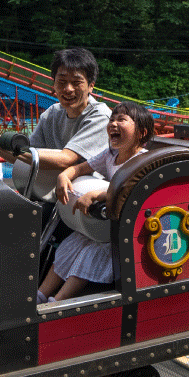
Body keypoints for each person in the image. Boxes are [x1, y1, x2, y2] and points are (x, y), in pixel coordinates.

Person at [39, 102, 156, 303]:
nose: (113, 124)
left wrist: (97, 195)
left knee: (91, 254)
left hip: (126, 231)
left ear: (141, 133)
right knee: (72, 244)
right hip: (106, 225)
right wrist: (64, 176)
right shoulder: (110, 155)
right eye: (112, 119)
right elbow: (80, 168)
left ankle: (58, 300)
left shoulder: (142, 161)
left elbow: (128, 188)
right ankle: (40, 294)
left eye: (121, 120)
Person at [0, 48, 111, 194]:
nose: (68, 89)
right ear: (53, 83)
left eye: (76, 82)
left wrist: (9, 144)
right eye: (61, 81)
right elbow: (25, 158)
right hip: (57, 193)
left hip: (89, 199)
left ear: (91, 85)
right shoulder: (52, 114)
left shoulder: (100, 116)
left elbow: (66, 159)